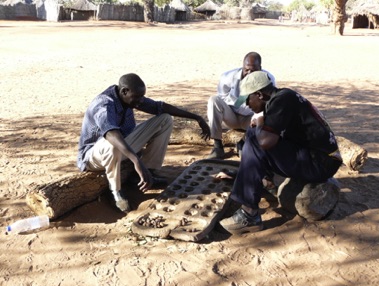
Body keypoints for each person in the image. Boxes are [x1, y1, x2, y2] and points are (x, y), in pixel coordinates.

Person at [219, 71, 342, 234]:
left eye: (248, 99)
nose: (247, 105)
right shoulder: (281, 98)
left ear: (259, 94)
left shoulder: (282, 100)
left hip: (321, 162)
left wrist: (261, 121)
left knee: (257, 140)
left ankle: (249, 215)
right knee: (252, 132)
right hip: (315, 156)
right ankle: (261, 180)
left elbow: (265, 142)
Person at [77, 73, 210, 212]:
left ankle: (147, 173)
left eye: (142, 97)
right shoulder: (104, 104)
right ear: (124, 91)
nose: (140, 102)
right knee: (113, 143)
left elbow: (161, 107)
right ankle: (116, 191)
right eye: (137, 98)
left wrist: (197, 117)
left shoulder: (129, 97)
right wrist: (136, 160)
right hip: (93, 157)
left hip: (121, 149)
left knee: (165, 119)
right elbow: (110, 134)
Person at [206, 51, 275, 159]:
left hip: (251, 118)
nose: (249, 73)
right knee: (214, 100)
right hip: (231, 116)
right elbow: (222, 96)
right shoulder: (227, 77)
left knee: (268, 110)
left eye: (253, 70)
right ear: (242, 66)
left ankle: (243, 143)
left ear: (260, 68)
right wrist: (240, 101)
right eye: (246, 69)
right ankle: (217, 145)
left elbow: (269, 101)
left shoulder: (267, 79)